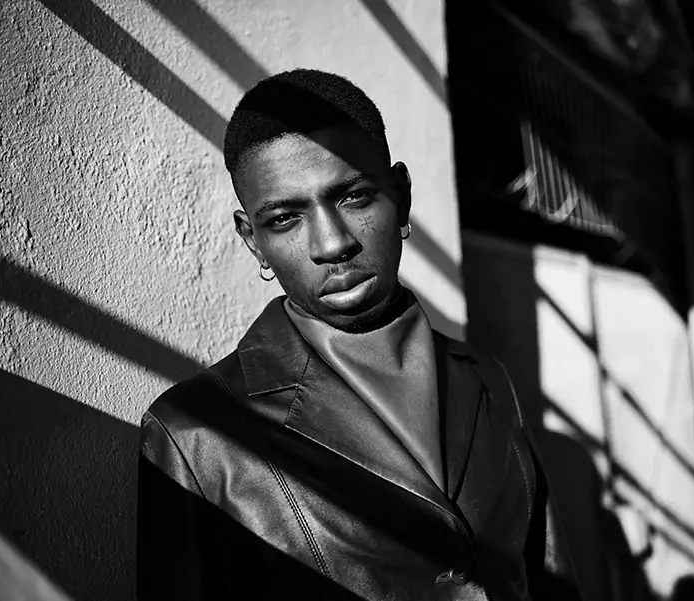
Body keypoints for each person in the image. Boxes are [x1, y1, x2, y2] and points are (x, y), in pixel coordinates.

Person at [136, 68, 582, 600]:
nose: (331, 244)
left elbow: (550, 580)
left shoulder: (488, 378)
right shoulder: (194, 433)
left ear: (401, 197)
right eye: (285, 219)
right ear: (253, 240)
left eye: (354, 197)